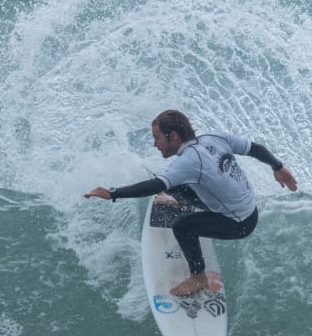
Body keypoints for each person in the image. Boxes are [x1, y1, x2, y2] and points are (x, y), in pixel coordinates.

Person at [85, 110, 298, 297]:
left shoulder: (189, 161)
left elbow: (153, 185)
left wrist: (112, 193)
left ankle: (198, 277)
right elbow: (256, 148)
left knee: (182, 225)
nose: (155, 144)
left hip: (239, 222)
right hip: (247, 206)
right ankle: (181, 201)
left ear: (174, 136)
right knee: (173, 185)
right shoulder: (213, 137)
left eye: (157, 138)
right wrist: (278, 167)